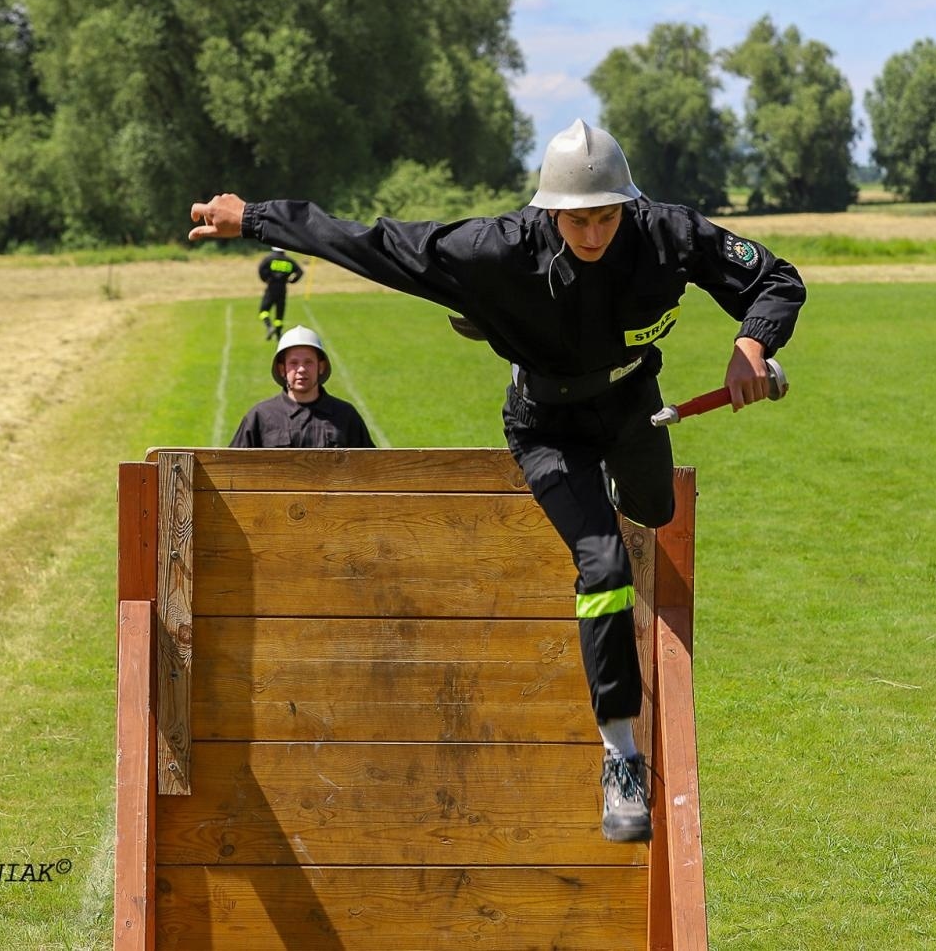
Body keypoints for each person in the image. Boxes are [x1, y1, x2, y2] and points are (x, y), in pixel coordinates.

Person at [188, 119, 806, 842]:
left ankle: (605, 471)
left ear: (627, 204)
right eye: (578, 220)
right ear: (550, 210)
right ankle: (621, 758)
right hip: (544, 423)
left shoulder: (670, 234)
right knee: (603, 563)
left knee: (655, 510)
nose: (595, 232)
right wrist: (254, 218)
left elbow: (775, 277)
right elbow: (374, 243)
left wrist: (751, 342)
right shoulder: (498, 248)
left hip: (636, 404)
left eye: (607, 215)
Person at [229, 325, 375, 448]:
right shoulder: (260, 416)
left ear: (321, 367)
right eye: (293, 363)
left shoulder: (345, 415)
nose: (301, 369)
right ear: (282, 369)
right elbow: (230, 467)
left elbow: (374, 469)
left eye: (308, 362)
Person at [256, 247, 304, 339]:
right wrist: (292, 280)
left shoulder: (269, 259)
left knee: (263, 310)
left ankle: (269, 327)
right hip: (282, 289)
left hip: (271, 288)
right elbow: (300, 272)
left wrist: (265, 279)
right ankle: (278, 334)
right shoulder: (289, 261)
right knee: (279, 313)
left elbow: (261, 269)